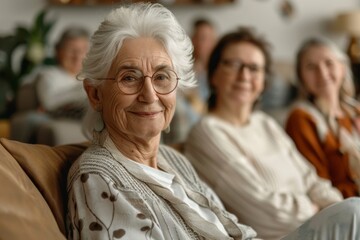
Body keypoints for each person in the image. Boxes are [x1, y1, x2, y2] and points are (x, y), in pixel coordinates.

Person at [67, 4, 360, 240]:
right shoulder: (98, 175)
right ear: (95, 94)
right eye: (128, 78)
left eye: (162, 77)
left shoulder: (172, 160)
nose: (149, 94)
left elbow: (236, 228)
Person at [184, 27, 360, 240]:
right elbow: (263, 211)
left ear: (263, 82)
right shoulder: (207, 132)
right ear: (213, 74)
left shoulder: (266, 123)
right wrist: (320, 211)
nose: (245, 75)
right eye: (233, 64)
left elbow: (311, 179)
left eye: (254, 68)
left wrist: (334, 208)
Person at [285, 37, 360, 197]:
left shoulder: (355, 112)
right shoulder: (301, 118)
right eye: (311, 67)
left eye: (329, 63)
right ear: (301, 78)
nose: (322, 73)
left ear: (343, 68)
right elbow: (319, 187)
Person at [162, 18, 217, 146]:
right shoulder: (181, 68)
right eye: (198, 38)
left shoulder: (218, 73)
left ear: (215, 43)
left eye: (206, 39)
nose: (201, 43)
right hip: (190, 122)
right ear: (191, 40)